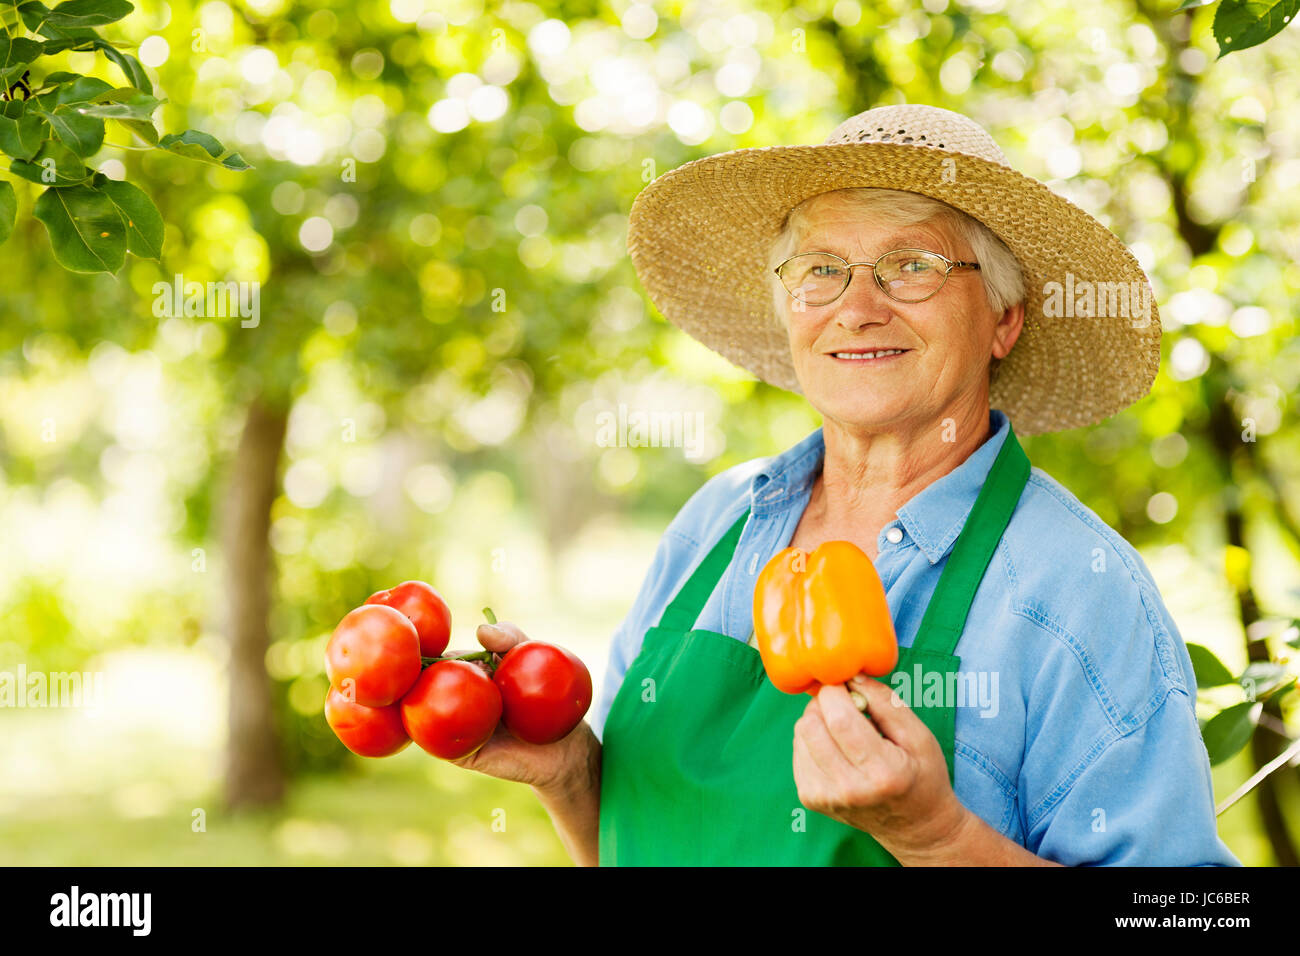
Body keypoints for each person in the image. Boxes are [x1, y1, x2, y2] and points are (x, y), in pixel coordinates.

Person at [455, 104, 1241, 867]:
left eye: (913, 267)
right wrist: (569, 776)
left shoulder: (1077, 591)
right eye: (822, 270)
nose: (858, 309)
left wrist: (939, 841)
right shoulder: (715, 525)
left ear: (1005, 319)